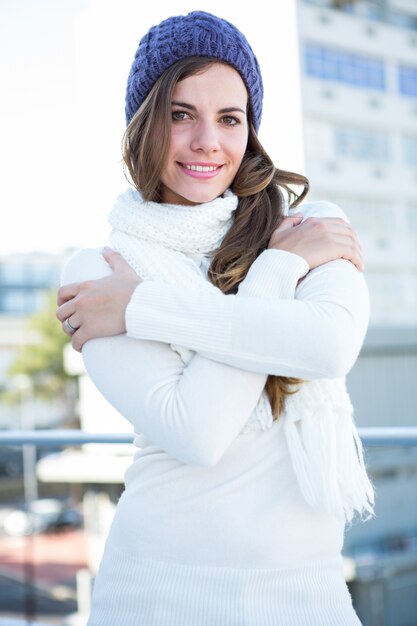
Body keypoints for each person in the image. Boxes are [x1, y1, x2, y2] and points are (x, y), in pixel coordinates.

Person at [56, 10, 374, 625]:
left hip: (307, 594)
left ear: (250, 130)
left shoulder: (311, 225)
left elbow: (329, 347)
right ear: (144, 125)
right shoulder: (101, 268)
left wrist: (144, 308)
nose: (208, 140)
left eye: (230, 118)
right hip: (158, 595)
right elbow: (199, 431)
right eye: (181, 114)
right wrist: (277, 273)